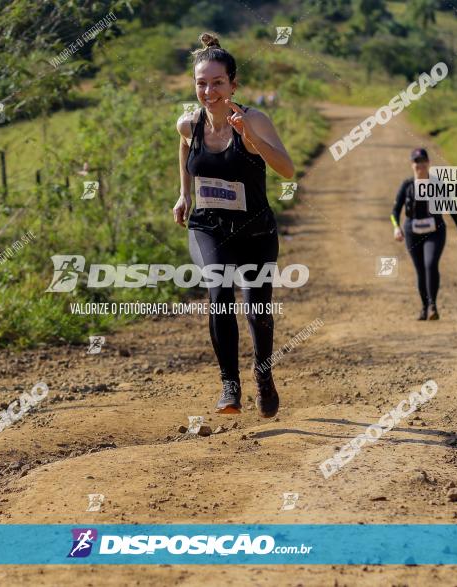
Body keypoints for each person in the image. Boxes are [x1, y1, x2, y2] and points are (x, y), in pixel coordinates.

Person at [172, 32, 295, 417]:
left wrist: (251, 136)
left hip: (256, 232)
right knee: (219, 293)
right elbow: (183, 148)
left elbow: (287, 170)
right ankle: (230, 386)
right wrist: (184, 193)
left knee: (257, 314)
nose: (209, 91)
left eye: (217, 83)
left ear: (233, 84)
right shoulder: (189, 125)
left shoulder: (254, 119)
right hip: (208, 226)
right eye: (201, 83)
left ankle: (264, 378)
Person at [391, 148, 457, 320]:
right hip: (412, 232)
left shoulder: (437, 183)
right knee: (420, 270)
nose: (420, 165)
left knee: (430, 264)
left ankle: (433, 306)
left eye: (423, 161)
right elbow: (395, 211)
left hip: (435, 231)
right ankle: (424, 307)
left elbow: (450, 206)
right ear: (412, 164)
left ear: (428, 163)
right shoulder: (407, 185)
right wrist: (396, 227)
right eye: (417, 161)